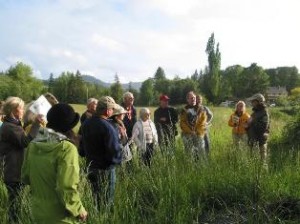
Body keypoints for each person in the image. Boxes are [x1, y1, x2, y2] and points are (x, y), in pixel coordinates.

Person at [22, 103, 87, 224]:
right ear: (69, 126)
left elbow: (25, 177)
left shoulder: (33, 145)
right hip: (62, 216)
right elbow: (66, 186)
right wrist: (78, 209)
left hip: (38, 212)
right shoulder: (67, 148)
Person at [0, 97, 42, 223]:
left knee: (15, 204)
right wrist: (36, 124)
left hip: (12, 170)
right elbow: (25, 142)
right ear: (14, 110)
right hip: (13, 172)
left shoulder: (11, 124)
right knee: (15, 206)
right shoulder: (10, 127)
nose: (23, 111)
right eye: (21, 108)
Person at [81, 96, 122, 208]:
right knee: (106, 203)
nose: (113, 112)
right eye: (112, 109)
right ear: (107, 110)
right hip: (105, 171)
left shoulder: (86, 124)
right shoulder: (108, 127)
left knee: (95, 201)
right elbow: (114, 153)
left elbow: (81, 149)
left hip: (90, 168)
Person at [180, 91, 207, 161]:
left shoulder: (201, 108)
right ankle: (190, 168)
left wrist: (196, 131)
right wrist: (190, 131)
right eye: (191, 98)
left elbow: (203, 121)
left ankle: (202, 167)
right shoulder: (184, 109)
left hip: (199, 134)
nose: (193, 99)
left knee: (201, 152)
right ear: (187, 100)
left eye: (194, 98)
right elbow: (182, 123)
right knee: (189, 153)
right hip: (188, 134)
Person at [247, 93, 270, 163]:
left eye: (253, 101)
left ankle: (263, 173)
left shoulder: (264, 112)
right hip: (253, 140)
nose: (251, 103)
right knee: (253, 161)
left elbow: (263, 128)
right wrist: (247, 125)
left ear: (258, 102)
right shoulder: (255, 112)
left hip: (260, 141)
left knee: (262, 162)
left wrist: (251, 122)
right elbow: (250, 125)